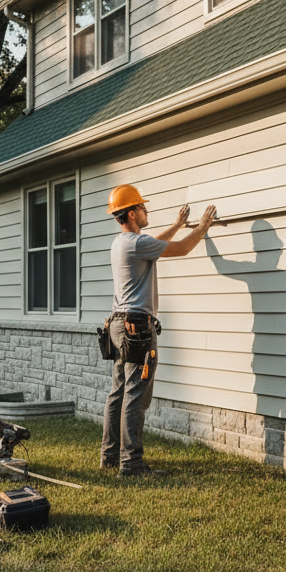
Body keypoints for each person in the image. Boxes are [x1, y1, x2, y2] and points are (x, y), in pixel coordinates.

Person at [101, 183, 216, 477]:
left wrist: (177, 225)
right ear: (130, 213)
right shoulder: (137, 244)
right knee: (135, 394)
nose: (145, 211)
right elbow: (182, 249)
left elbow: (154, 245)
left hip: (118, 324)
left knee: (118, 392)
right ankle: (131, 464)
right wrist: (203, 227)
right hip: (137, 327)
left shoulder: (121, 243)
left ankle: (110, 457)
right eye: (141, 207)